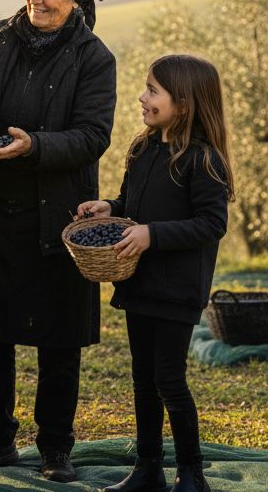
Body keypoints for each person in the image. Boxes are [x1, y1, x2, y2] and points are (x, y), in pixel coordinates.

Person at [0, 0, 117, 483]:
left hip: (59, 219)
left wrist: (34, 146)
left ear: (76, 0)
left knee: (58, 341)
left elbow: (94, 136)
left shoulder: (95, 59)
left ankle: (55, 449)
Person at [76, 53, 232, 492]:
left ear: (183, 103)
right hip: (139, 283)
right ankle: (148, 471)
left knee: (169, 380)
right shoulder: (143, 149)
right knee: (143, 380)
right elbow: (132, 206)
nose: (142, 98)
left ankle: (191, 473)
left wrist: (152, 236)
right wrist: (110, 207)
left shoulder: (202, 161)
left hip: (177, 292)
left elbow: (211, 224)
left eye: (152, 90)